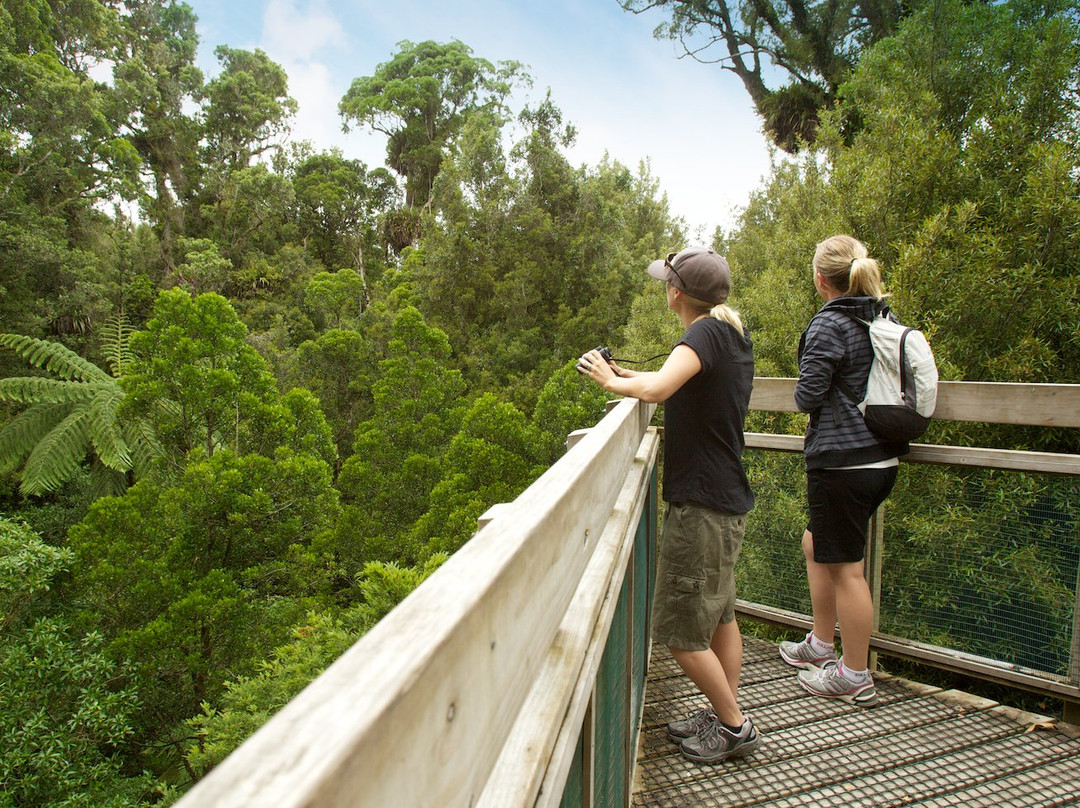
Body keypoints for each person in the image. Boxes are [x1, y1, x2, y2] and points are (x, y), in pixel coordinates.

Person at [578, 246, 757, 764]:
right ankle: (723, 708)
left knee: (680, 633)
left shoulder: (701, 333)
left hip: (701, 508)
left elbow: (657, 387)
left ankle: (734, 725)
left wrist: (610, 381)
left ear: (677, 292)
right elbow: (670, 382)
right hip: (723, 502)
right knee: (720, 618)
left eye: (667, 282)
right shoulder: (730, 332)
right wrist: (624, 374)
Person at [779, 234, 908, 707]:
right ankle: (819, 643)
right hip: (881, 458)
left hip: (843, 463)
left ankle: (854, 673)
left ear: (820, 279)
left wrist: (807, 387)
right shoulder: (880, 317)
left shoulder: (830, 324)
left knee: (847, 569)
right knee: (817, 543)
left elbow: (807, 396)